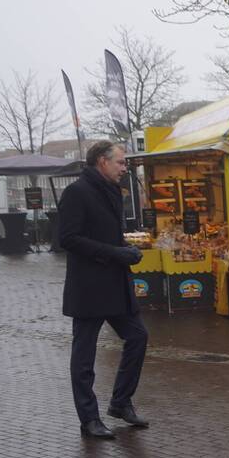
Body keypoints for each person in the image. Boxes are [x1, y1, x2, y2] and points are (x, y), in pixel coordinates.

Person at [60, 141, 150, 439]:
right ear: (102, 161)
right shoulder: (77, 192)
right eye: (121, 163)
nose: (125, 169)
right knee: (84, 356)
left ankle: (120, 403)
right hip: (89, 288)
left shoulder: (111, 190)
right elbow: (68, 239)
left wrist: (125, 249)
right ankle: (89, 419)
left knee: (138, 336)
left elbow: (105, 235)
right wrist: (115, 253)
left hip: (115, 284)